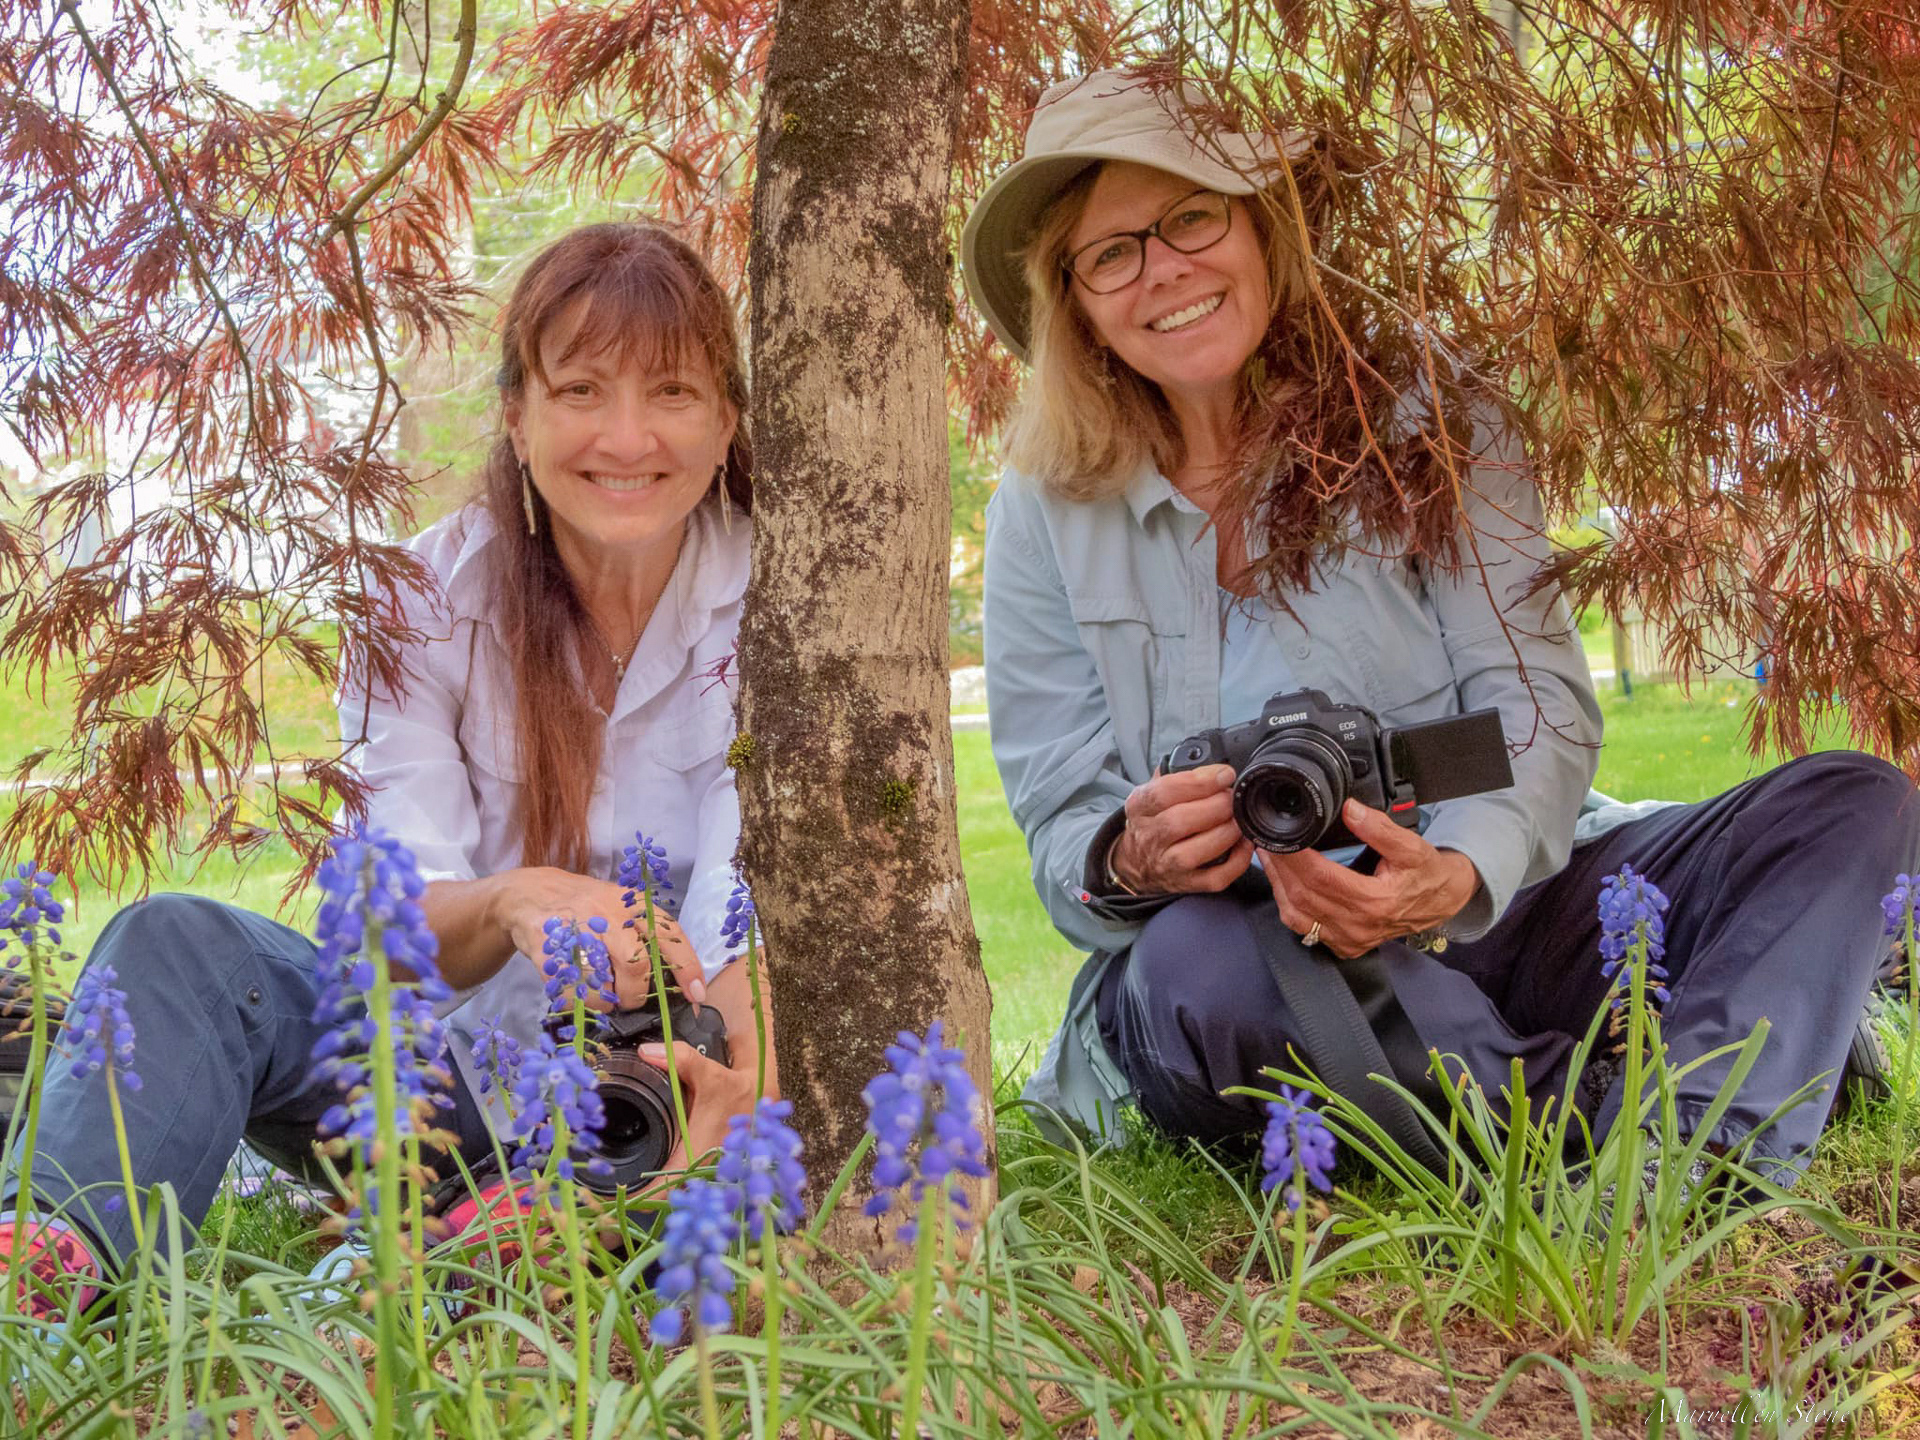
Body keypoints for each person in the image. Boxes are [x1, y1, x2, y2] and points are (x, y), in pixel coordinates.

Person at [963, 71, 1919, 1179]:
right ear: (1073, 295)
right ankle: (1681, 1121)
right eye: (1111, 251)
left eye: (1190, 216)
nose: (1162, 270)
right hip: (1256, 947)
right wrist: (1129, 853)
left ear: (1263, 226)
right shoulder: (1039, 511)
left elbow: (1542, 709)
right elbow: (1059, 831)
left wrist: (1455, 875)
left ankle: (1644, 1121)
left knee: (1851, 804)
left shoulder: (1431, 416)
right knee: (1199, 968)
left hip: (1493, 906)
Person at [2, 222, 774, 1309]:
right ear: (516, 413)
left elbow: (762, 904)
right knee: (174, 942)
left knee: (670, 1159)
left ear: (728, 416)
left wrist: (703, 1123)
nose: (628, 435)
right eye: (583, 390)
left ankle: (520, 1237)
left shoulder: (792, 597)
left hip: (696, 1102)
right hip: (443, 1090)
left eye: (675, 393)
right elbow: (400, 931)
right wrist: (512, 900)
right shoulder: (418, 599)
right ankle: (50, 1268)